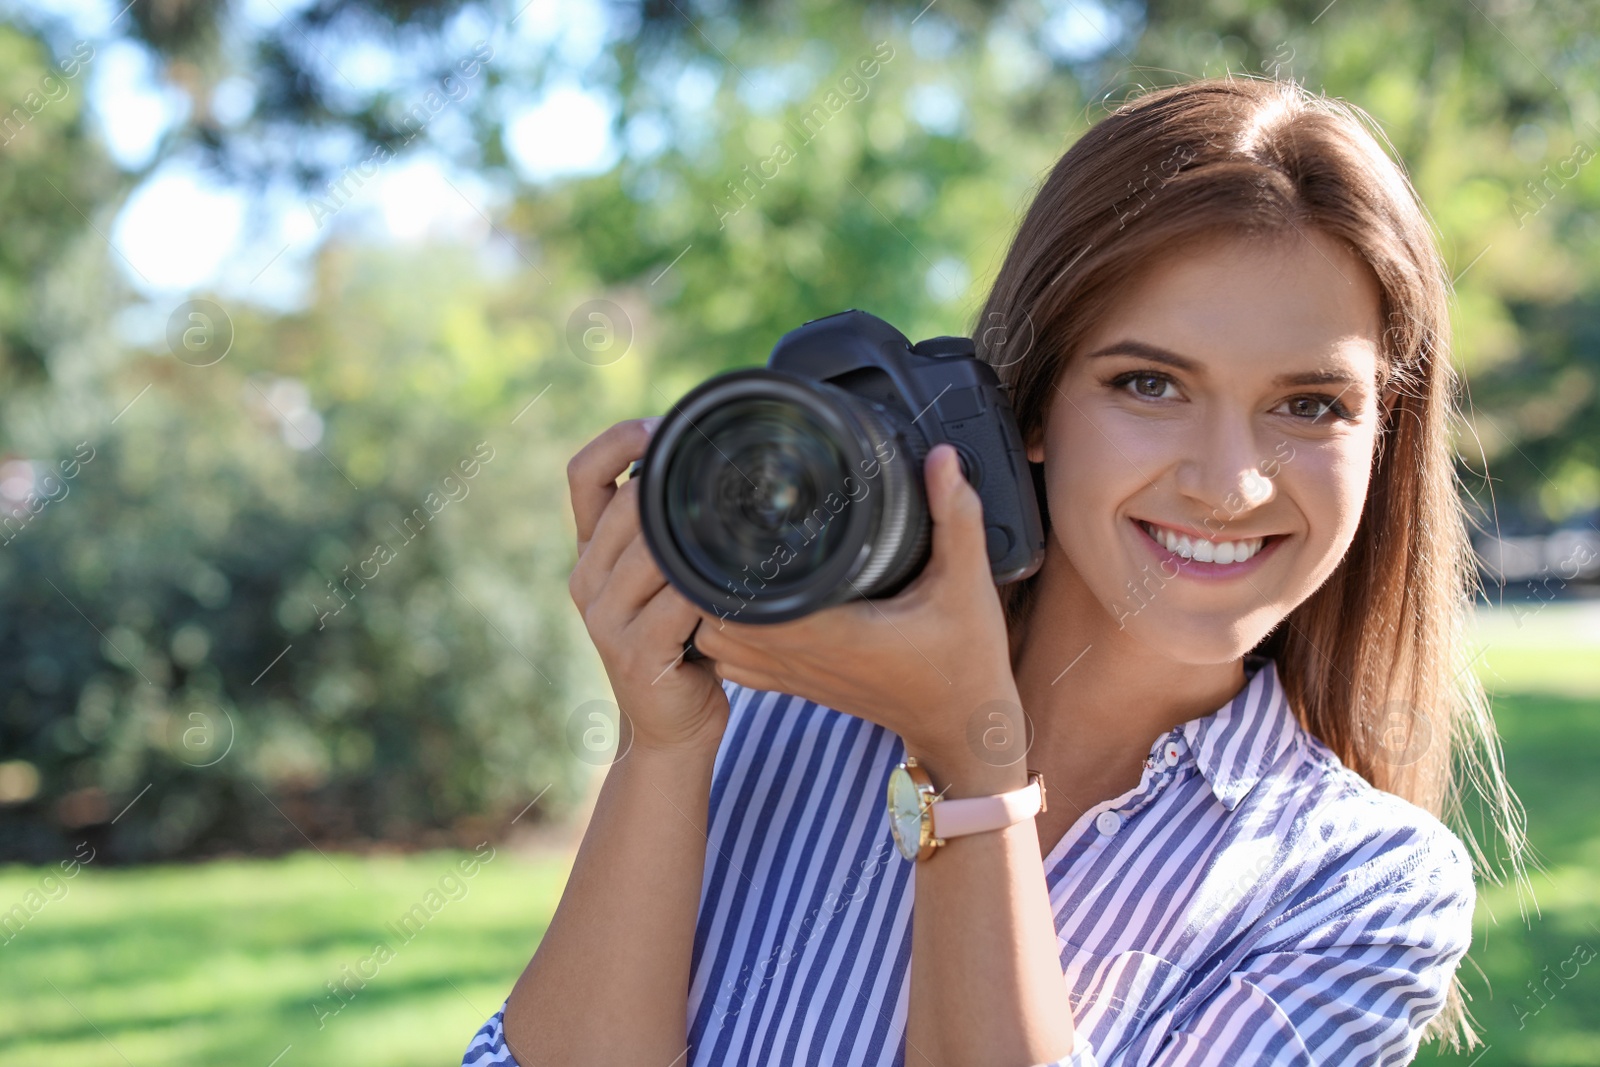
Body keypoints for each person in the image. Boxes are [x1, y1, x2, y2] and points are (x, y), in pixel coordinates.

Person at [462, 76, 1527, 1066]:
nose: (1227, 483)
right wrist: (665, 745)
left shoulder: (1362, 887)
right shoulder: (773, 709)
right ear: (1021, 406)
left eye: (1309, 405)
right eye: (1149, 383)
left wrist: (972, 762)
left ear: (1384, 439)